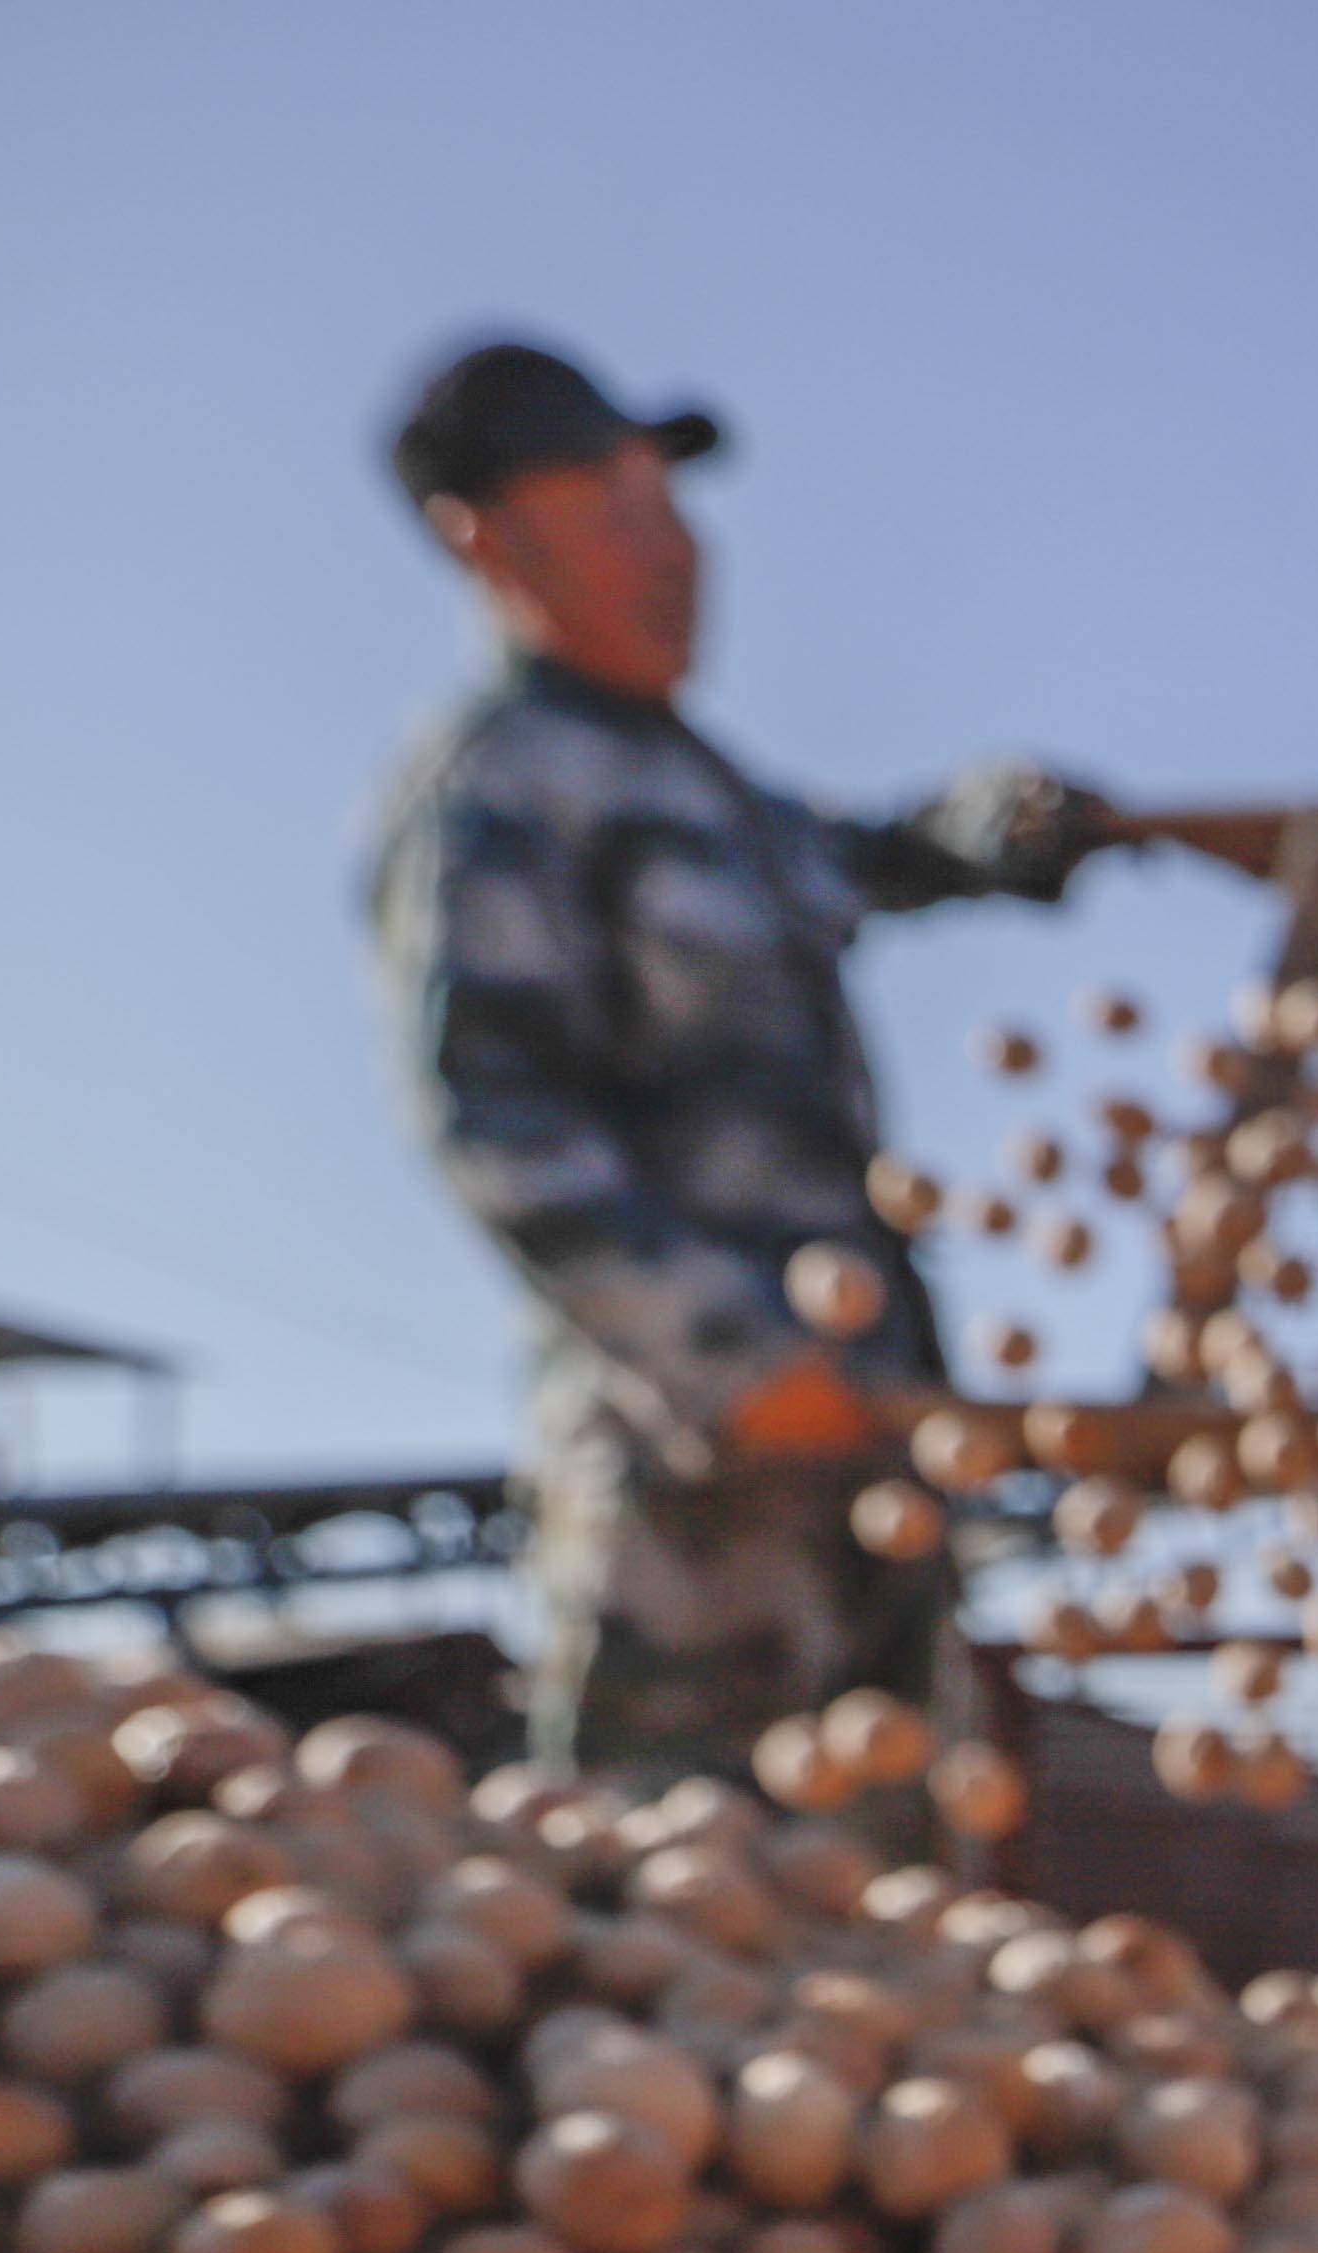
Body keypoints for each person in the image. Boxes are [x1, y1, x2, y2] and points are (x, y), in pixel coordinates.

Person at [362, 336, 1119, 1782]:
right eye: (612, 508)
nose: (674, 551)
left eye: (670, 504)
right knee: (682, 1874)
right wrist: (733, 1358)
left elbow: (870, 857)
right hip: (694, 1488)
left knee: (888, 1861)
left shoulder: (711, 792)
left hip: (870, 1449)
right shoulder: (504, 787)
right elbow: (491, 1117)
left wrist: (989, 830)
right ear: (489, 542)